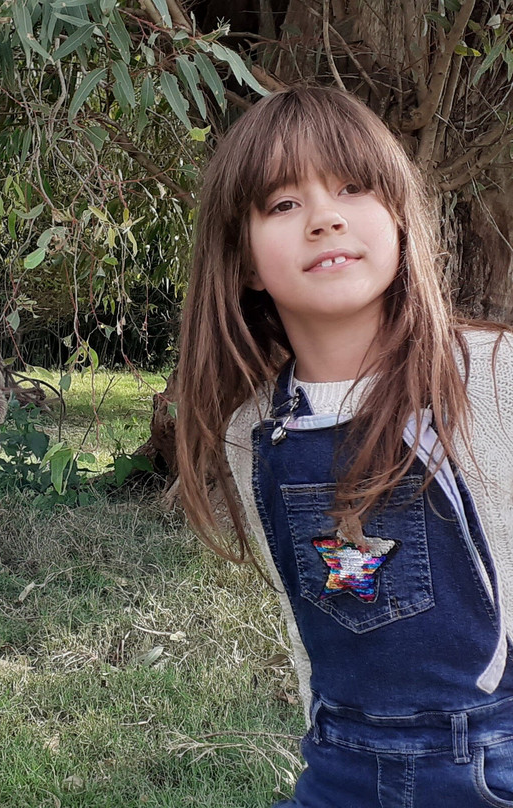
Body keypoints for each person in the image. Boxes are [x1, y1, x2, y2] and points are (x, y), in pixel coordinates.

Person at [174, 85, 513, 806]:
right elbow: (311, 629)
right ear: (242, 260)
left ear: (397, 214)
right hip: (339, 766)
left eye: (353, 187)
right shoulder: (252, 433)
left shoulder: (491, 376)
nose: (325, 218)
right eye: (283, 204)